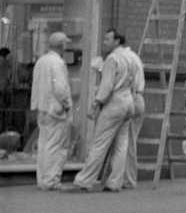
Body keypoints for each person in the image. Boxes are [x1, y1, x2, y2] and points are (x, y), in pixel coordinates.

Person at [65, 29, 136, 193]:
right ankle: (114, 182)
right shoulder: (130, 58)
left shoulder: (112, 59)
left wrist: (96, 103)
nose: (104, 42)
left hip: (114, 102)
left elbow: (107, 86)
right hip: (128, 101)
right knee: (121, 144)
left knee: (99, 143)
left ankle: (84, 181)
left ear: (117, 41)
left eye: (107, 39)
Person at [30, 32, 72, 190]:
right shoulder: (58, 63)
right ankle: (52, 180)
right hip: (56, 109)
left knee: (44, 144)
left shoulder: (41, 61)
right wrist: (67, 105)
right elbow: (61, 89)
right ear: (62, 45)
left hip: (42, 108)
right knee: (56, 146)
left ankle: (42, 179)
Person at [113, 34, 145, 190]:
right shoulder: (133, 57)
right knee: (128, 141)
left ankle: (128, 179)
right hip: (136, 98)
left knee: (128, 142)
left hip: (131, 98)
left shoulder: (124, 58)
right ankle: (125, 178)